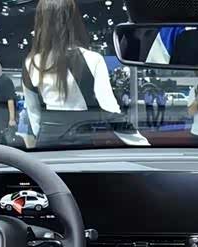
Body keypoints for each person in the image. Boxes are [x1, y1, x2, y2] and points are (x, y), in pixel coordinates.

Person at [23, 0, 147, 147]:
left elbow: (34, 114)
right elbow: (110, 111)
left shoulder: (31, 62)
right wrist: (141, 144)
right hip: (81, 140)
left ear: (41, 21)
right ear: (74, 19)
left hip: (47, 143)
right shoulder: (93, 59)